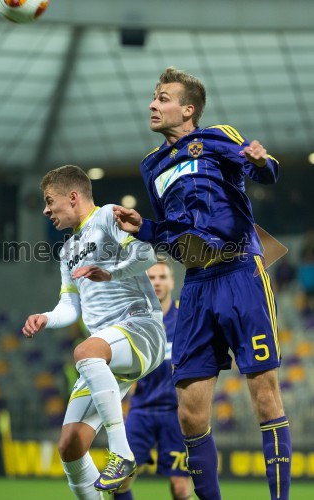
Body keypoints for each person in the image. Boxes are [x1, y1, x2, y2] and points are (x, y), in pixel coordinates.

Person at [113, 67, 292, 500]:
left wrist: (259, 162)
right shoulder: (151, 165)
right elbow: (170, 231)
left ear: (187, 109)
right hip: (196, 284)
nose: (153, 104)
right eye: (153, 97)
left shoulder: (216, 138)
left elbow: (265, 171)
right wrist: (144, 227)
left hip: (239, 273)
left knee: (265, 398)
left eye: (163, 98)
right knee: (191, 417)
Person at [22, 165, 166, 498]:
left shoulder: (107, 217)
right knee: (70, 445)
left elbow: (147, 254)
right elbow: (70, 306)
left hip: (140, 327)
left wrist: (111, 272)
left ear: (72, 197)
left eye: (49, 201)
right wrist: (45, 317)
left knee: (85, 351)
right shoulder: (67, 252)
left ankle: (122, 453)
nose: (46, 210)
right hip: (107, 351)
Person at [114, 258, 192, 500]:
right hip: (142, 410)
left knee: (180, 487)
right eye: (151, 278)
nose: (156, 282)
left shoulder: (186, 319)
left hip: (176, 413)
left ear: (171, 282)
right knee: (119, 480)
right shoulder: (134, 321)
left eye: (161, 277)